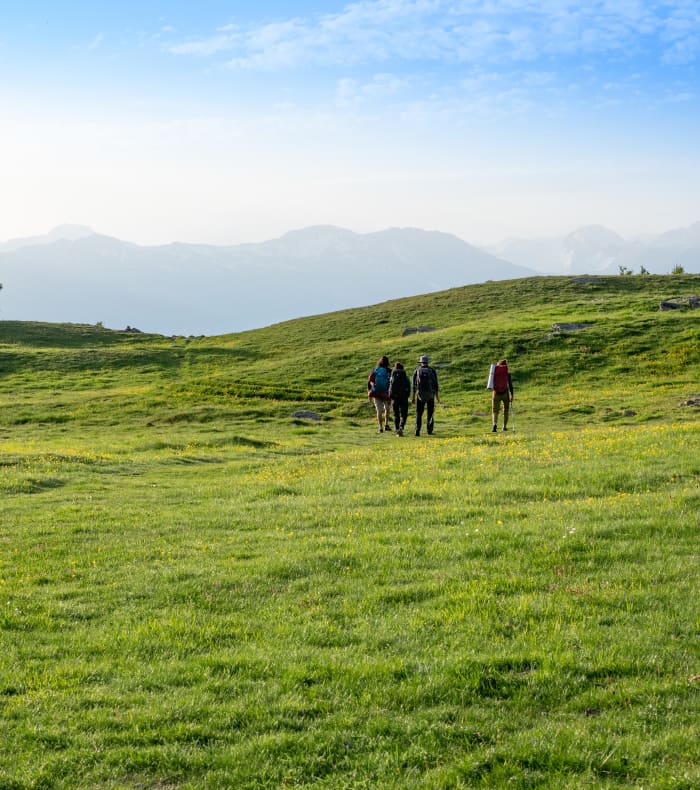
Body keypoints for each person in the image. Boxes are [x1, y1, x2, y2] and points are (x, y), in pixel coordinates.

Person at [412, 354, 439, 436]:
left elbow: (414, 385)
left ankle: (417, 430)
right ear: (427, 362)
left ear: (421, 362)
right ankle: (429, 430)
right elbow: (435, 384)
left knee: (419, 413)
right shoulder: (432, 370)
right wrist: (437, 396)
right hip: (430, 395)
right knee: (430, 412)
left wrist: (413, 397)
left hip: (420, 395)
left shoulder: (417, 370)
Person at [368, 355, 392, 432]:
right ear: (387, 362)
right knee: (387, 408)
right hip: (385, 393)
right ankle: (386, 425)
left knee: (379, 410)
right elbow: (392, 382)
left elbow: (370, 381)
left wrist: (369, 391)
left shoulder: (375, 370)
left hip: (376, 392)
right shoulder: (389, 371)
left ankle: (380, 428)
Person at [388, 361, 411, 436]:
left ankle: (397, 429)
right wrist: (407, 395)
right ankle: (401, 427)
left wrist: (391, 395)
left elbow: (390, 386)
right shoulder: (405, 377)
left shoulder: (393, 376)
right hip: (403, 397)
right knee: (404, 414)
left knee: (396, 414)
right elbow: (408, 387)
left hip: (394, 397)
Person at [492, 358, 513, 431]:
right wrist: (512, 395)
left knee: (495, 411)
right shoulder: (507, 373)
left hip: (496, 393)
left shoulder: (494, 373)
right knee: (506, 410)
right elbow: (510, 385)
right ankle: (504, 427)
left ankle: (494, 424)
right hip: (505, 393)